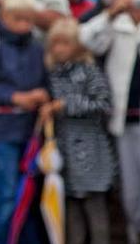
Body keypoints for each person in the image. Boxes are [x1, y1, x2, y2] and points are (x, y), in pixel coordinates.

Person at [80, 0, 140, 244]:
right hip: (123, 124)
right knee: (132, 197)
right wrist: (112, 12)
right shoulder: (116, 24)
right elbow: (85, 39)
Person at [40, 17, 115, 244]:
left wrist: (66, 104)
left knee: (95, 208)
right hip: (64, 151)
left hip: (92, 151)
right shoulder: (51, 74)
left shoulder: (89, 70)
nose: (60, 49)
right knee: (70, 209)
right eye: (55, 43)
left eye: (66, 43)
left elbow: (104, 104)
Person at [0, 0, 49, 244]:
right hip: (2, 130)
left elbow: (46, 81)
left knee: (31, 195)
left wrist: (44, 95)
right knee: (7, 194)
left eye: (28, 19)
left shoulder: (36, 47)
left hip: (32, 130)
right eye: (17, 18)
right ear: (4, 17)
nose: (24, 25)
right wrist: (14, 97)